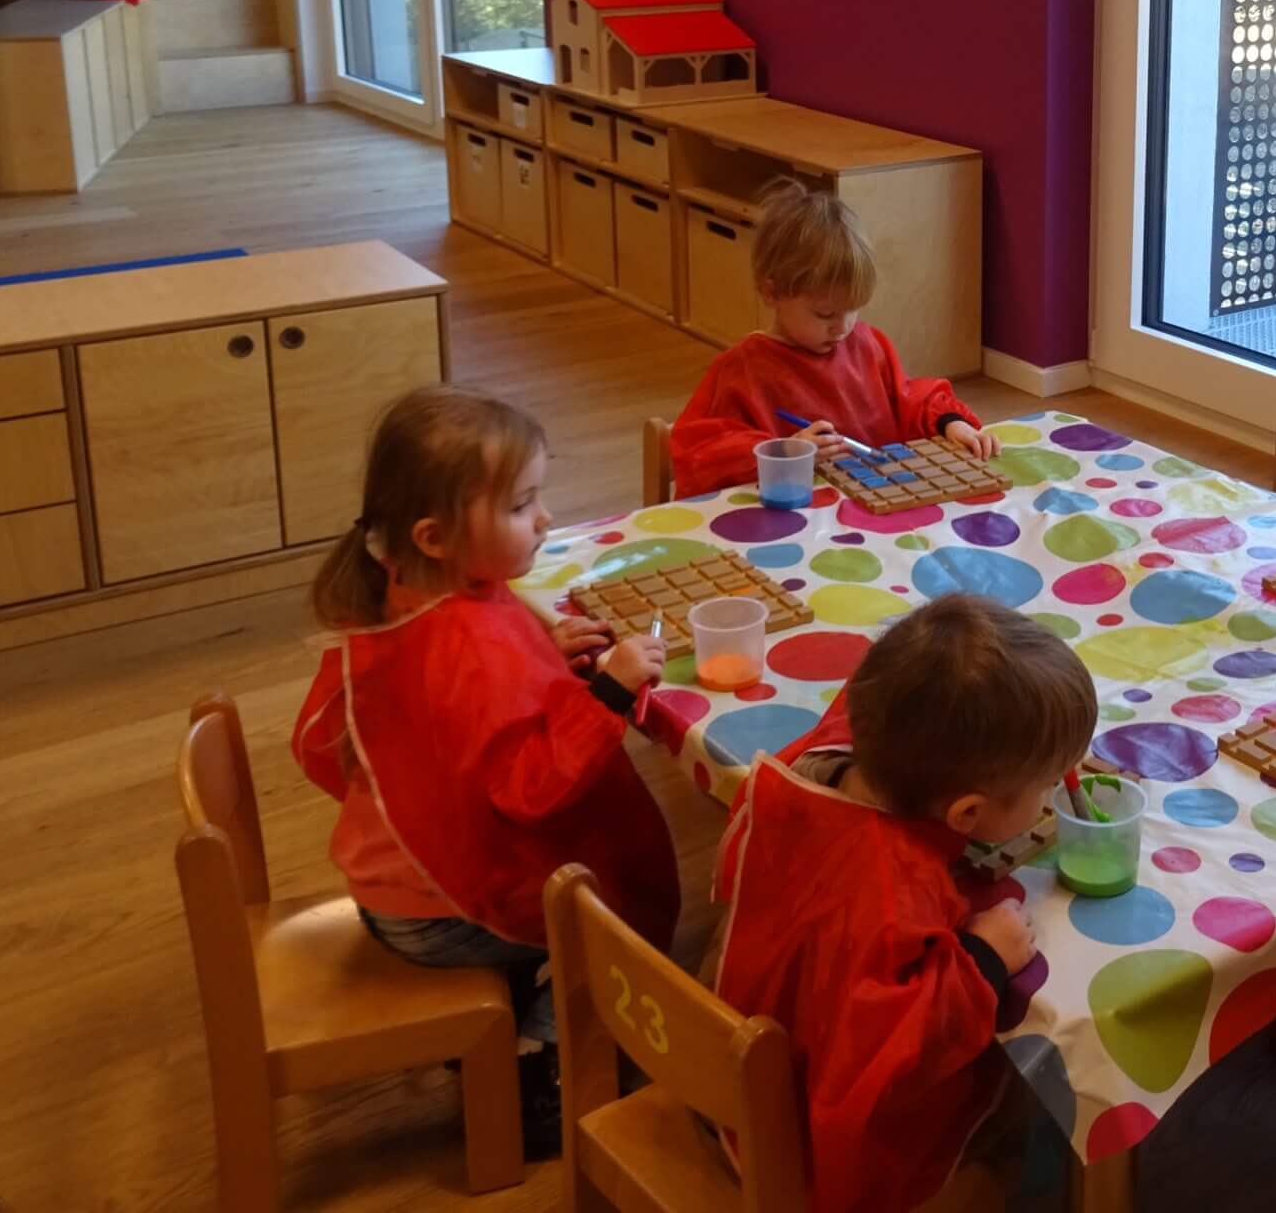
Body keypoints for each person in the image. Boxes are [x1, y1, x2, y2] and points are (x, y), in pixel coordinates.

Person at [290, 383, 678, 1156]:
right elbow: (530, 788)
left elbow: (361, 737)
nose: (546, 519)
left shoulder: (408, 591)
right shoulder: (465, 644)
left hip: (391, 881)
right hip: (440, 913)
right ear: (434, 536)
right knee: (615, 926)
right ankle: (541, 1066)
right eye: (522, 505)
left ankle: (516, 1007)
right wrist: (608, 691)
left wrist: (541, 658)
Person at [713, 593, 1096, 1213]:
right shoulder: (891, 894)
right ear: (966, 812)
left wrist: (1033, 752)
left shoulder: (811, 768)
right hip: (818, 1153)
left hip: (741, 1076)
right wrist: (983, 958)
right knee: (1037, 1103)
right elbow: (902, 1048)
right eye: (1047, 785)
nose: (1053, 794)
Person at [670, 177, 997, 495]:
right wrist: (786, 450)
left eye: (853, 310)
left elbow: (910, 401)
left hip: (875, 504)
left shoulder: (868, 345)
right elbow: (703, 455)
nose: (842, 328)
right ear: (772, 293)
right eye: (825, 314)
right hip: (793, 516)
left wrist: (950, 423)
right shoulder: (742, 369)